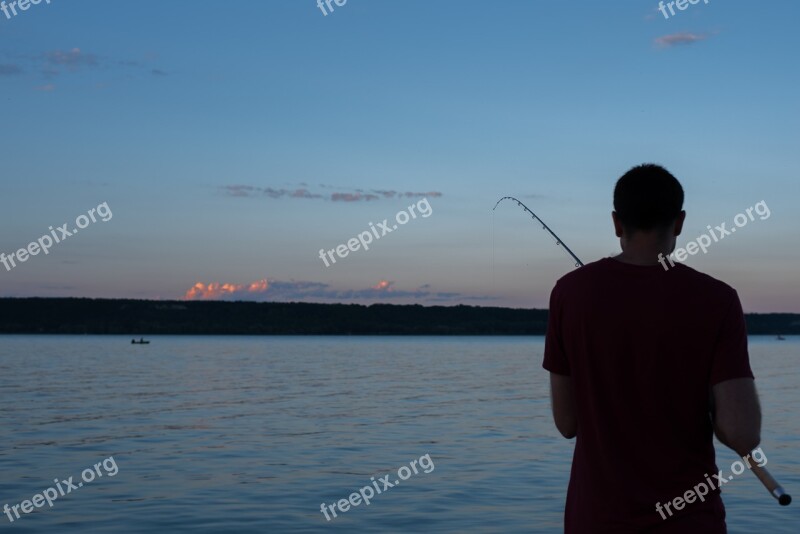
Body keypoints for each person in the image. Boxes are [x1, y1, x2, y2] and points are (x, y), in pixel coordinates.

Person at [543, 164, 761, 532]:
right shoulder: (717, 300)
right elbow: (741, 433)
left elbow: (567, 423)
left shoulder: (569, 293)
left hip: (595, 520)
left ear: (616, 222)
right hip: (690, 522)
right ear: (679, 222)